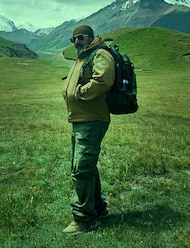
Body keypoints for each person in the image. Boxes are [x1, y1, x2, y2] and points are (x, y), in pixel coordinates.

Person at [61, 24, 116, 235]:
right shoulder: (83, 56)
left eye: (80, 37)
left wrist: (79, 93)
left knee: (81, 169)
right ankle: (98, 209)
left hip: (92, 119)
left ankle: (84, 219)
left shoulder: (99, 53)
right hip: (80, 119)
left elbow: (103, 80)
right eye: (73, 39)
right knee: (87, 167)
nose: (76, 41)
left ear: (90, 37)